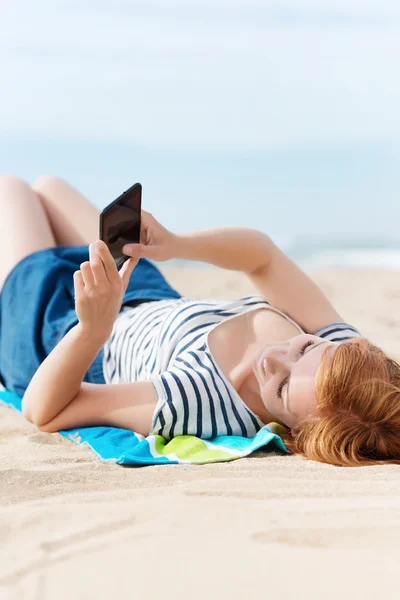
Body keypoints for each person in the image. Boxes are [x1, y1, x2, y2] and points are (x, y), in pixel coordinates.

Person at [0, 175, 399, 468]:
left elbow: (45, 411)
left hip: (60, 334)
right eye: (305, 347)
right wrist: (178, 245)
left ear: (296, 431)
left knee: (10, 190)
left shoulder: (199, 400)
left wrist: (92, 330)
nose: (274, 357)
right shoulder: (341, 356)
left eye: (280, 387)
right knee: (49, 186)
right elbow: (264, 257)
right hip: (140, 288)